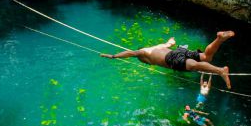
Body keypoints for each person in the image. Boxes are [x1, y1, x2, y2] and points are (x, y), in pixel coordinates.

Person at [100, 31, 235, 89]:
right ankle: (219, 39)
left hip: (171, 58)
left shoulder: (142, 52)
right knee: (206, 57)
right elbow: (169, 43)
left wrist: (113, 56)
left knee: (194, 66)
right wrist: (171, 41)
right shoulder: (157, 46)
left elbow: (130, 52)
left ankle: (220, 71)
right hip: (178, 50)